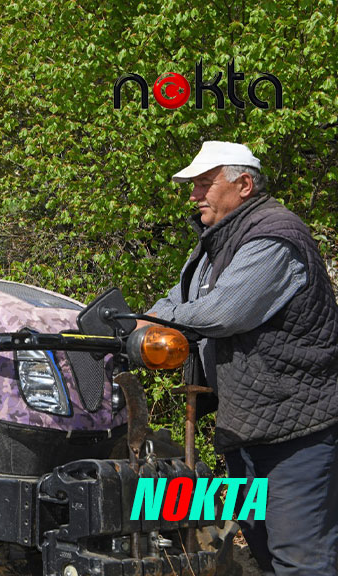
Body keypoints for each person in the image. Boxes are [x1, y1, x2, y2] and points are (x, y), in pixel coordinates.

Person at [146, 141, 338, 575]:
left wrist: (158, 322)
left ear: (244, 184)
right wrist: (150, 319)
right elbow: (178, 299)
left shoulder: (273, 237)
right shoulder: (217, 244)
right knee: (264, 551)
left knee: (300, 558)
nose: (194, 195)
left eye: (203, 184)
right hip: (246, 429)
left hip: (296, 432)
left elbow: (222, 313)